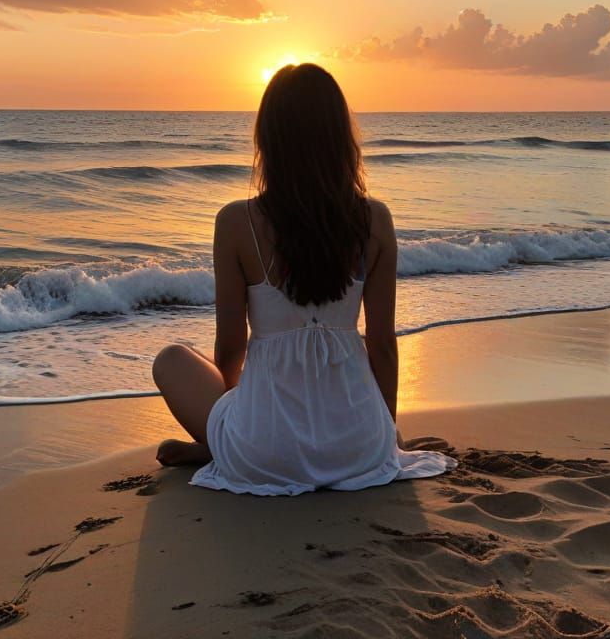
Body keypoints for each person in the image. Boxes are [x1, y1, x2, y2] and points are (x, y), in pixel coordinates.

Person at [151, 63, 454, 495]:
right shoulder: (375, 220)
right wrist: (389, 436)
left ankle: (218, 447)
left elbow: (231, 348)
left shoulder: (236, 222)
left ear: (268, 140)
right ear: (340, 140)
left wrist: (239, 421)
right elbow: (383, 346)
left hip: (265, 452)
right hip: (361, 447)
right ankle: (225, 446)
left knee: (172, 360)